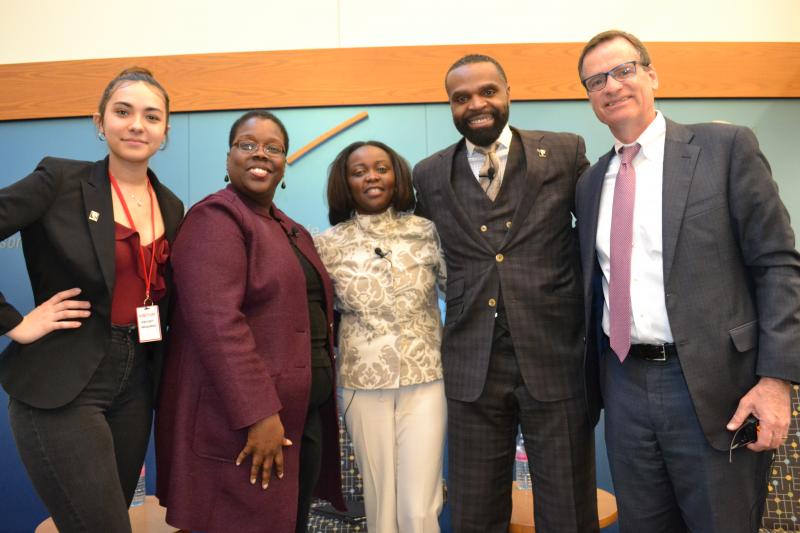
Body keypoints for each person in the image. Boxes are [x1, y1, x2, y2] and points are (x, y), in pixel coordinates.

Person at [575, 29, 800, 532]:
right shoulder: (590, 184)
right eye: (595, 81)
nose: (611, 86)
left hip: (716, 385)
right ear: (590, 98)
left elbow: (778, 265)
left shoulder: (724, 148)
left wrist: (777, 379)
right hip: (624, 383)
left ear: (652, 74)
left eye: (623, 70)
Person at [412, 54, 598, 533]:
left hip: (554, 357)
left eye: (487, 92)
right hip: (471, 365)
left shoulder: (563, 151)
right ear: (450, 105)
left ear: (508, 92)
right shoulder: (428, 174)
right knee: (474, 513)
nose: (476, 104)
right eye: (461, 97)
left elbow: (601, 236)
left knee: (568, 510)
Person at [0, 67, 184, 532]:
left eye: (151, 116)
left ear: (165, 131)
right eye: (122, 112)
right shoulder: (58, 180)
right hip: (65, 381)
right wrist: (13, 323)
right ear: (99, 122)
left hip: (137, 382)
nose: (136, 125)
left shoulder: (173, 206)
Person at [155, 110, 344, 533]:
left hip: (301, 419)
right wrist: (260, 414)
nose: (260, 154)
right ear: (228, 158)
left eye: (273, 147)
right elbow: (219, 326)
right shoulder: (215, 219)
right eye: (247, 144)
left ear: (284, 163)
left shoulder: (290, 228)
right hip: (245, 423)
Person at [315, 141, 447, 533]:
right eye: (359, 171)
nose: (371, 177)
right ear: (346, 182)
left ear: (396, 176)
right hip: (362, 384)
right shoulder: (327, 244)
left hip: (426, 379)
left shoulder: (427, 231)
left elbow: (459, 292)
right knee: (380, 504)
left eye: (381, 168)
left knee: (419, 507)